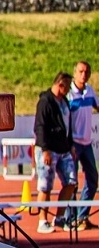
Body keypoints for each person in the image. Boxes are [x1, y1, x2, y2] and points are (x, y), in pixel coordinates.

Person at [34, 71, 77, 232]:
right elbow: (39, 126)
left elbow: (67, 126)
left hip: (64, 149)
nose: (69, 90)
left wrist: (70, 145)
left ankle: (59, 218)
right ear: (60, 85)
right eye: (68, 86)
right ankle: (42, 221)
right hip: (48, 149)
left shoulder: (64, 101)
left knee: (71, 182)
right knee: (45, 185)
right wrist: (45, 150)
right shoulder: (45, 101)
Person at [70, 60, 97, 229]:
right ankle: (70, 219)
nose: (83, 75)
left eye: (86, 72)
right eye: (80, 71)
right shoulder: (69, 94)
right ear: (75, 73)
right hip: (73, 143)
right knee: (71, 182)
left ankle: (82, 216)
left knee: (93, 179)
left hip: (87, 144)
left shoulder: (90, 91)